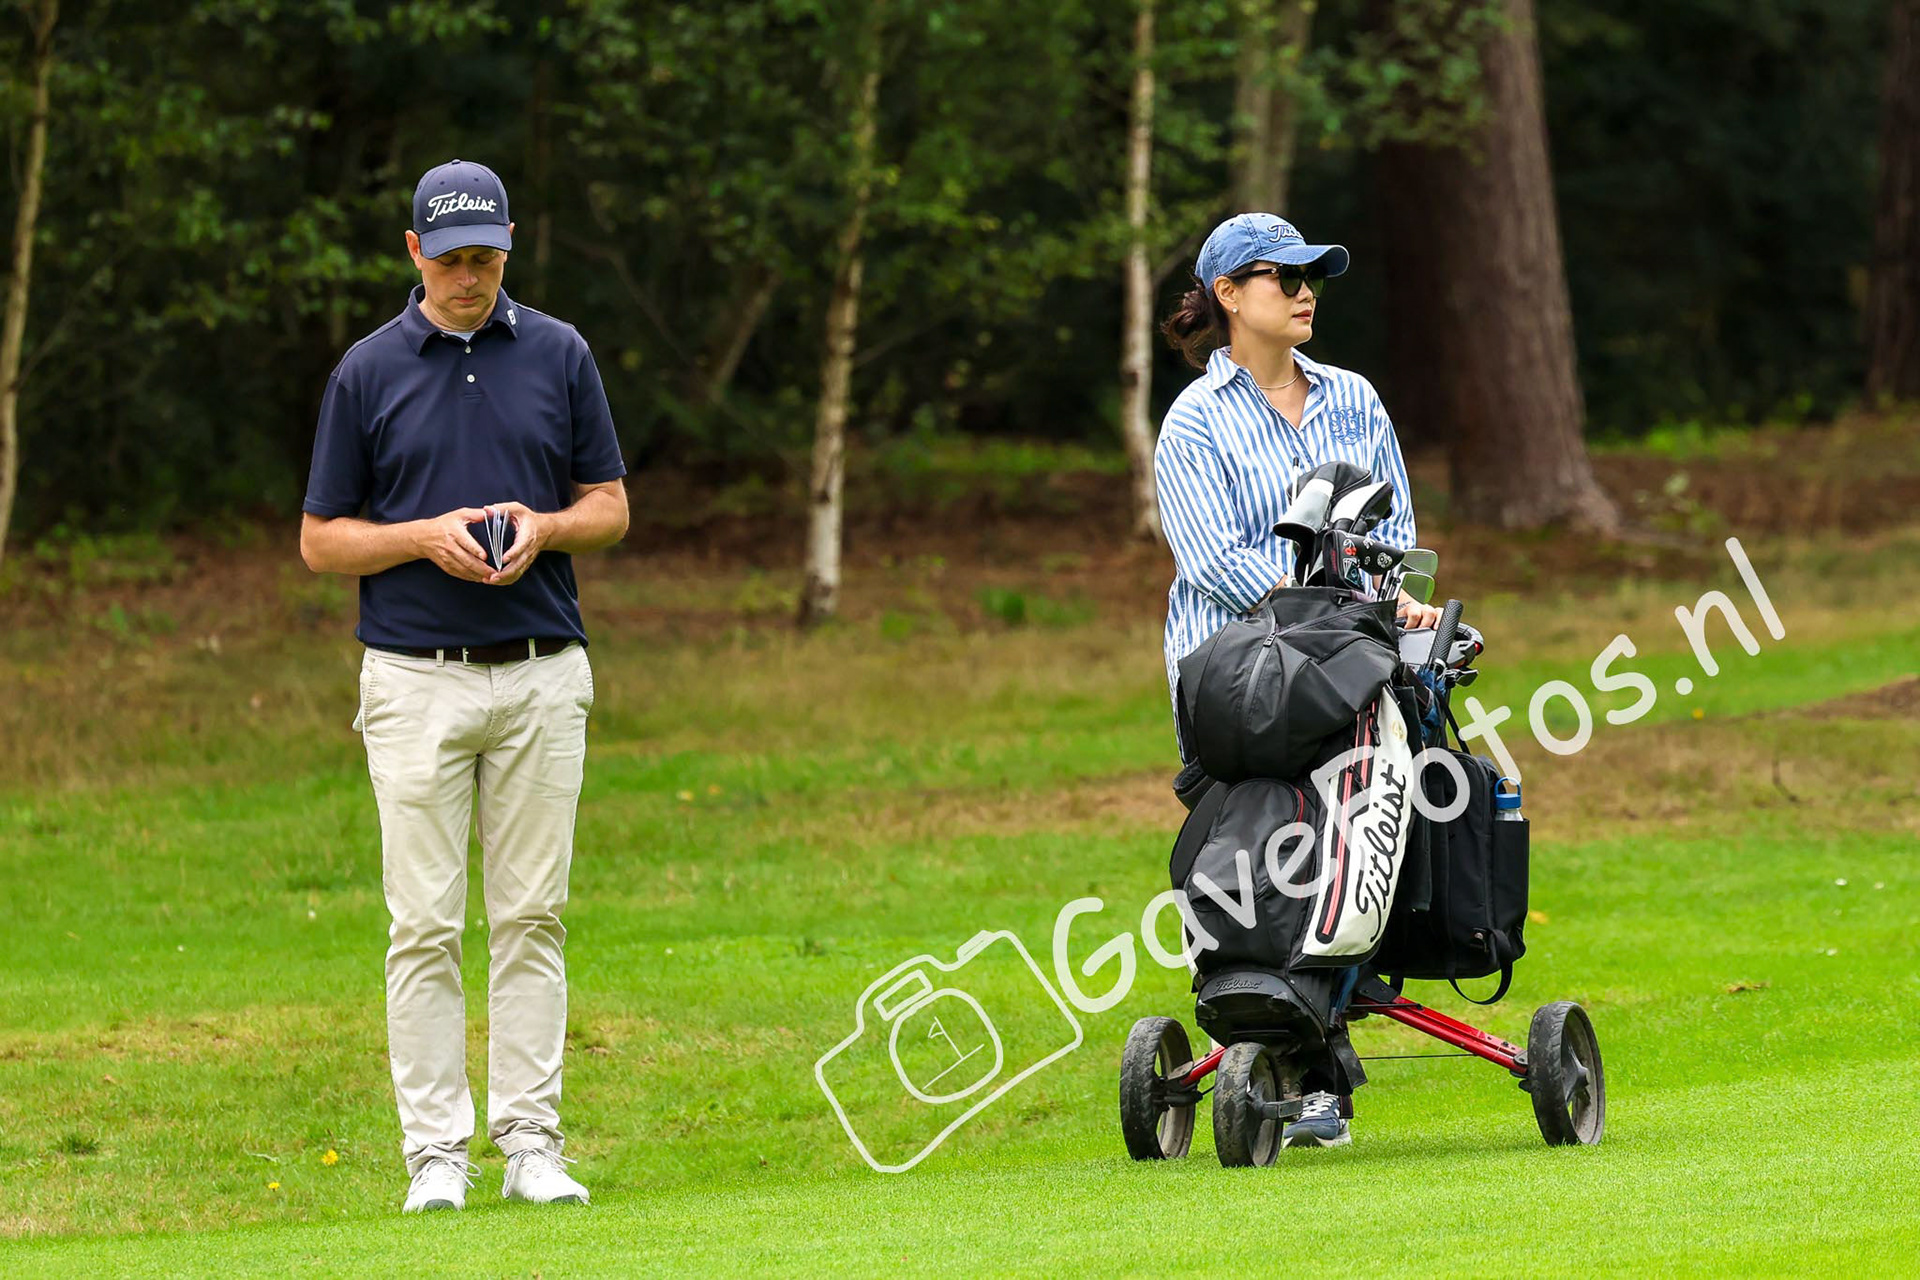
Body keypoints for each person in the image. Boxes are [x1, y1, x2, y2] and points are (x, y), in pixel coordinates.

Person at [299, 159, 629, 1212]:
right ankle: (434, 1154)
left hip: (540, 673)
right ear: (413, 254)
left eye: (486, 258)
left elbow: (610, 504)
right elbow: (319, 539)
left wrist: (547, 527)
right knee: (425, 925)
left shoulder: (561, 353)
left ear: (510, 245)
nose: (469, 278)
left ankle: (531, 1142)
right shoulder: (366, 372)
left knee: (533, 915)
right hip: (413, 680)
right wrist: (418, 540)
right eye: (450, 261)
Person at [1152, 212, 1440, 1150]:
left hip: (1351, 668)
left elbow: (1388, 542)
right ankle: (1299, 1063)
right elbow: (1213, 560)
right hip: (1239, 677)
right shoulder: (1195, 420)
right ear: (1230, 296)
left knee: (1353, 837)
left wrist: (1398, 605)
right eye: (1284, 277)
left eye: (1314, 275)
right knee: (1260, 850)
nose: (1307, 290)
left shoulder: (1355, 398)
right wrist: (1339, 609)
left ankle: (1315, 1061)